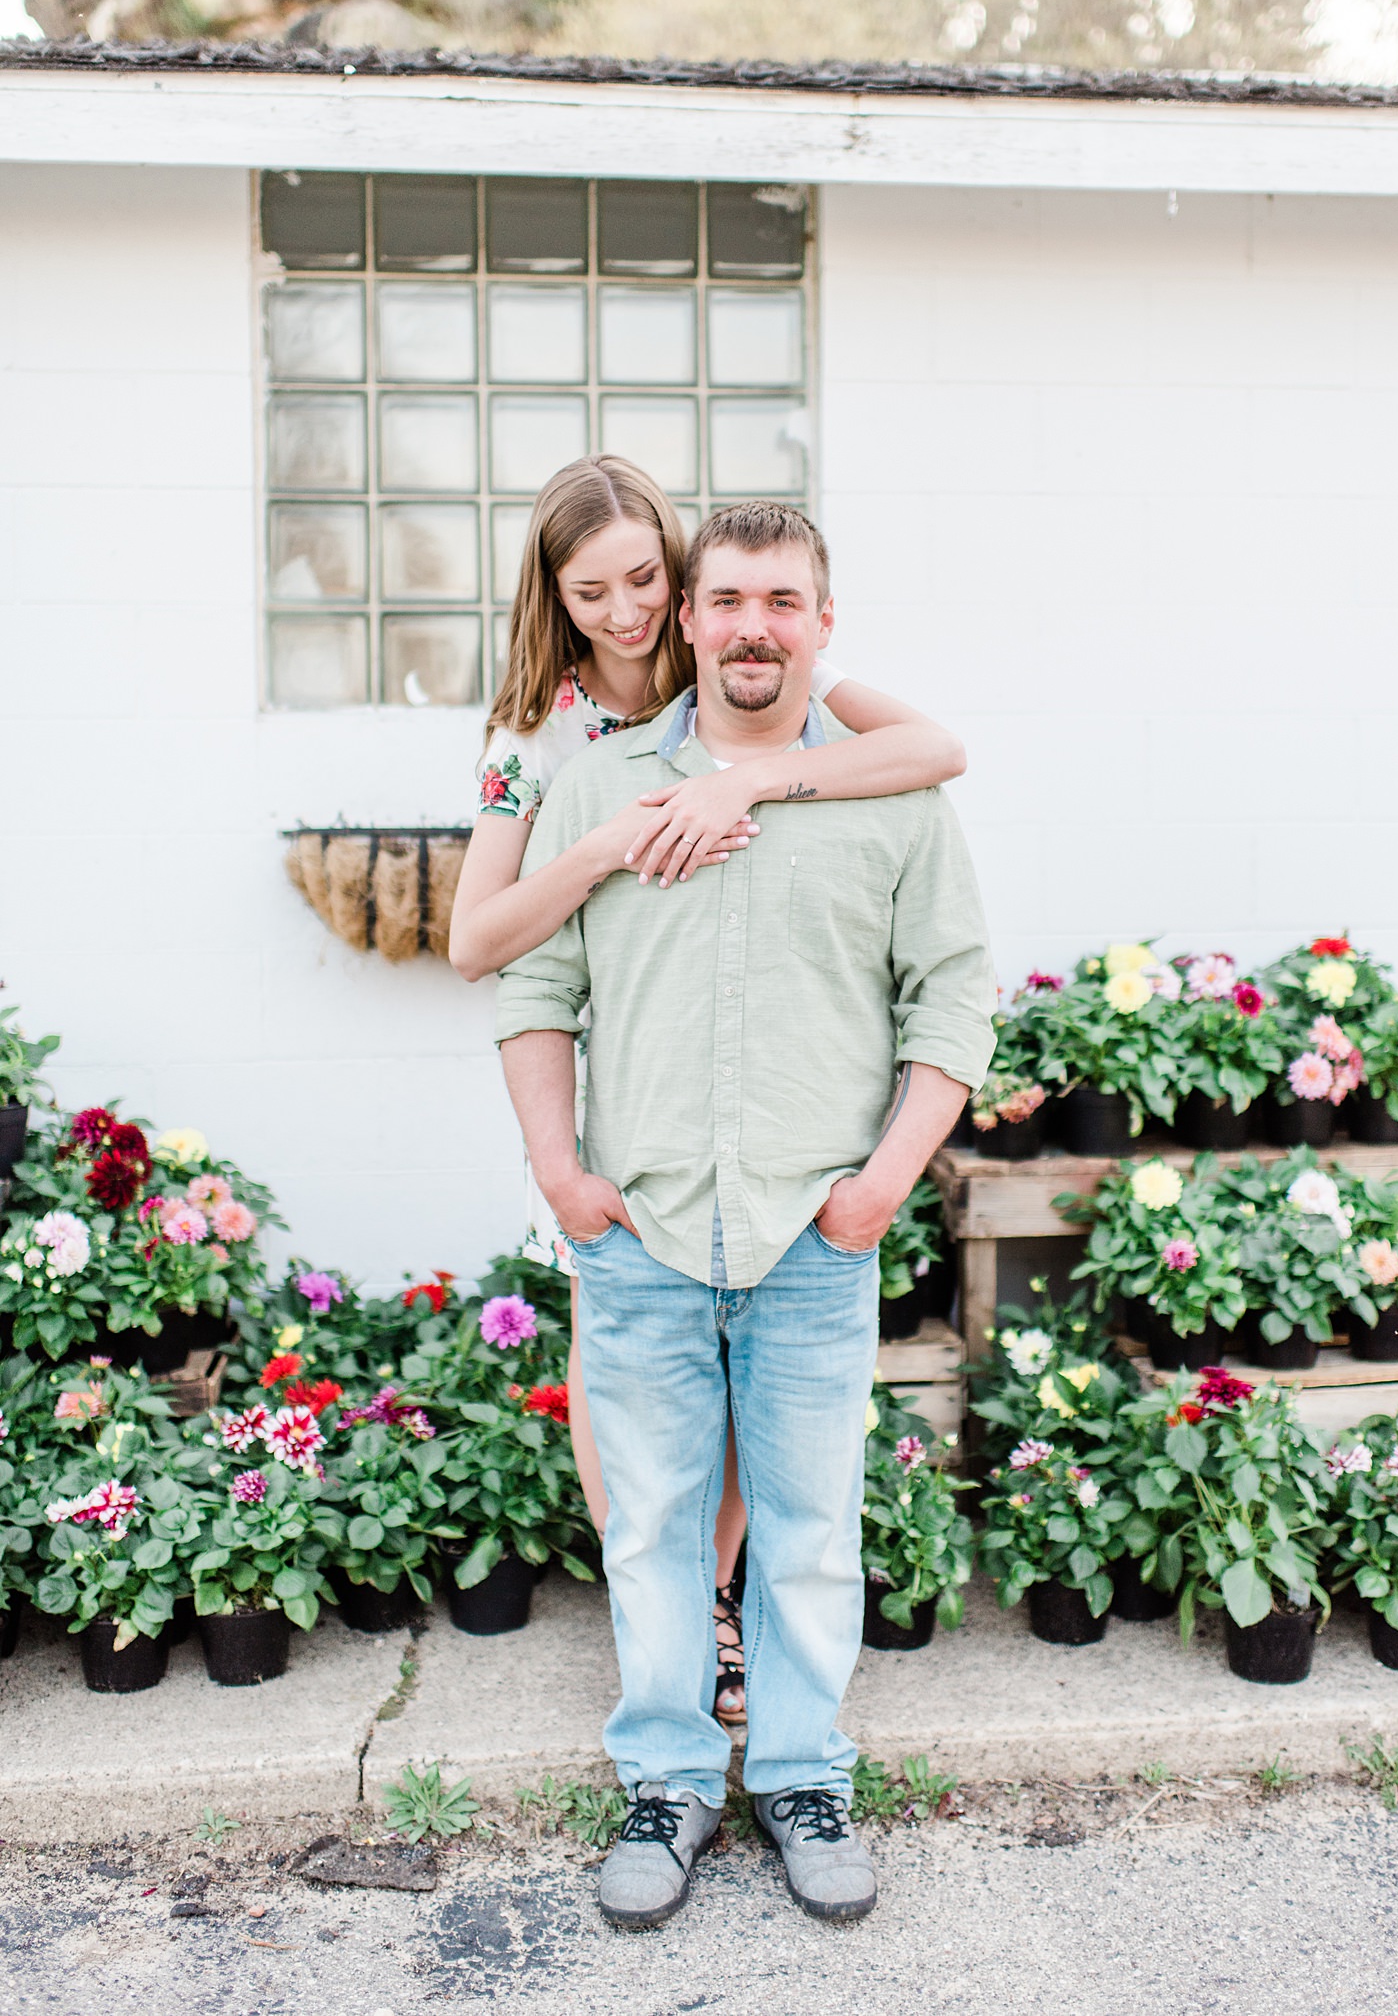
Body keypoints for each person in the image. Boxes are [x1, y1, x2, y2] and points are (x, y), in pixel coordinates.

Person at [495, 500, 996, 1930]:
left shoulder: (891, 799)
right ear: (687, 619)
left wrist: (881, 1186)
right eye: (727, 602)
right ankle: (664, 1783)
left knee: (805, 1526)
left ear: (822, 625)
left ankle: (799, 1777)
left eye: (783, 601)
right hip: (637, 1226)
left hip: (808, 1235)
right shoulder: (598, 791)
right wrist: (559, 1174)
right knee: (650, 1527)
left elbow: (950, 997)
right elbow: (533, 986)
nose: (753, 627)